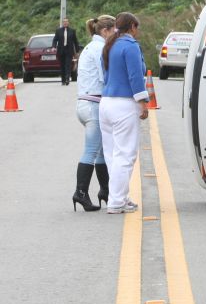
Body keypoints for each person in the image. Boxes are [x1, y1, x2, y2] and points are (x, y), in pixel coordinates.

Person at [99, 12, 149, 214]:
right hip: (124, 104)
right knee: (125, 155)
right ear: (133, 27)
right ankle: (117, 201)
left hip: (106, 103)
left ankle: (118, 196)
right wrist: (144, 102)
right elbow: (136, 76)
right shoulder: (130, 46)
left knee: (113, 155)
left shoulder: (109, 45)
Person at [72, 15, 116, 212]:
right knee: (92, 151)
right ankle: (80, 192)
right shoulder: (100, 49)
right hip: (93, 105)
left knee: (100, 152)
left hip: (84, 103)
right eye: (114, 31)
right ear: (105, 31)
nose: (116, 35)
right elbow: (104, 77)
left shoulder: (90, 47)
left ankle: (105, 191)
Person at [52, 18, 80, 85]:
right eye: (64, 22)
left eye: (66, 22)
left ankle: (67, 78)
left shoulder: (72, 31)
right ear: (62, 23)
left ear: (68, 23)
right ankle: (63, 80)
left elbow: (75, 41)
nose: (65, 23)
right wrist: (54, 46)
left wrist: (77, 51)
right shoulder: (58, 31)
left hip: (69, 51)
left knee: (68, 65)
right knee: (62, 65)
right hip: (61, 50)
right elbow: (55, 40)